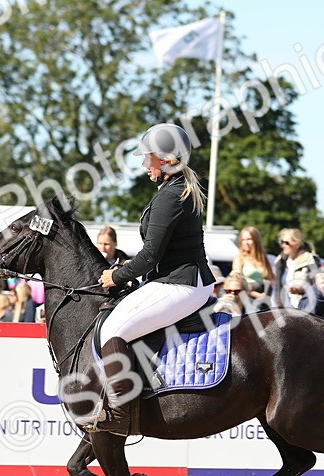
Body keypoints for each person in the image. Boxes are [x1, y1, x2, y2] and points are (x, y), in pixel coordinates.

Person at [79, 123, 216, 436]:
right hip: (179, 279)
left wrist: (116, 275)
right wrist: (128, 268)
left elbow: (151, 255)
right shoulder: (175, 188)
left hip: (180, 283)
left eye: (148, 157)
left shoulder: (171, 196)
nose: (144, 164)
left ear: (165, 159)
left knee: (113, 329)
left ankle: (119, 413)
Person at [272, 228, 321, 311]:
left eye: (287, 243)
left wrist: (301, 289)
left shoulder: (311, 260)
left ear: (297, 243)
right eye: (281, 242)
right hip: (285, 309)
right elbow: (277, 288)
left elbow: (318, 285)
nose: (283, 245)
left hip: (305, 307)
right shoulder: (280, 261)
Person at [231, 226, 274, 307]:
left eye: (249, 239)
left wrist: (266, 294)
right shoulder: (239, 259)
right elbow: (237, 284)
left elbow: (270, 279)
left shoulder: (264, 259)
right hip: (247, 301)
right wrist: (256, 295)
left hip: (264, 302)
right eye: (243, 240)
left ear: (256, 240)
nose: (246, 242)